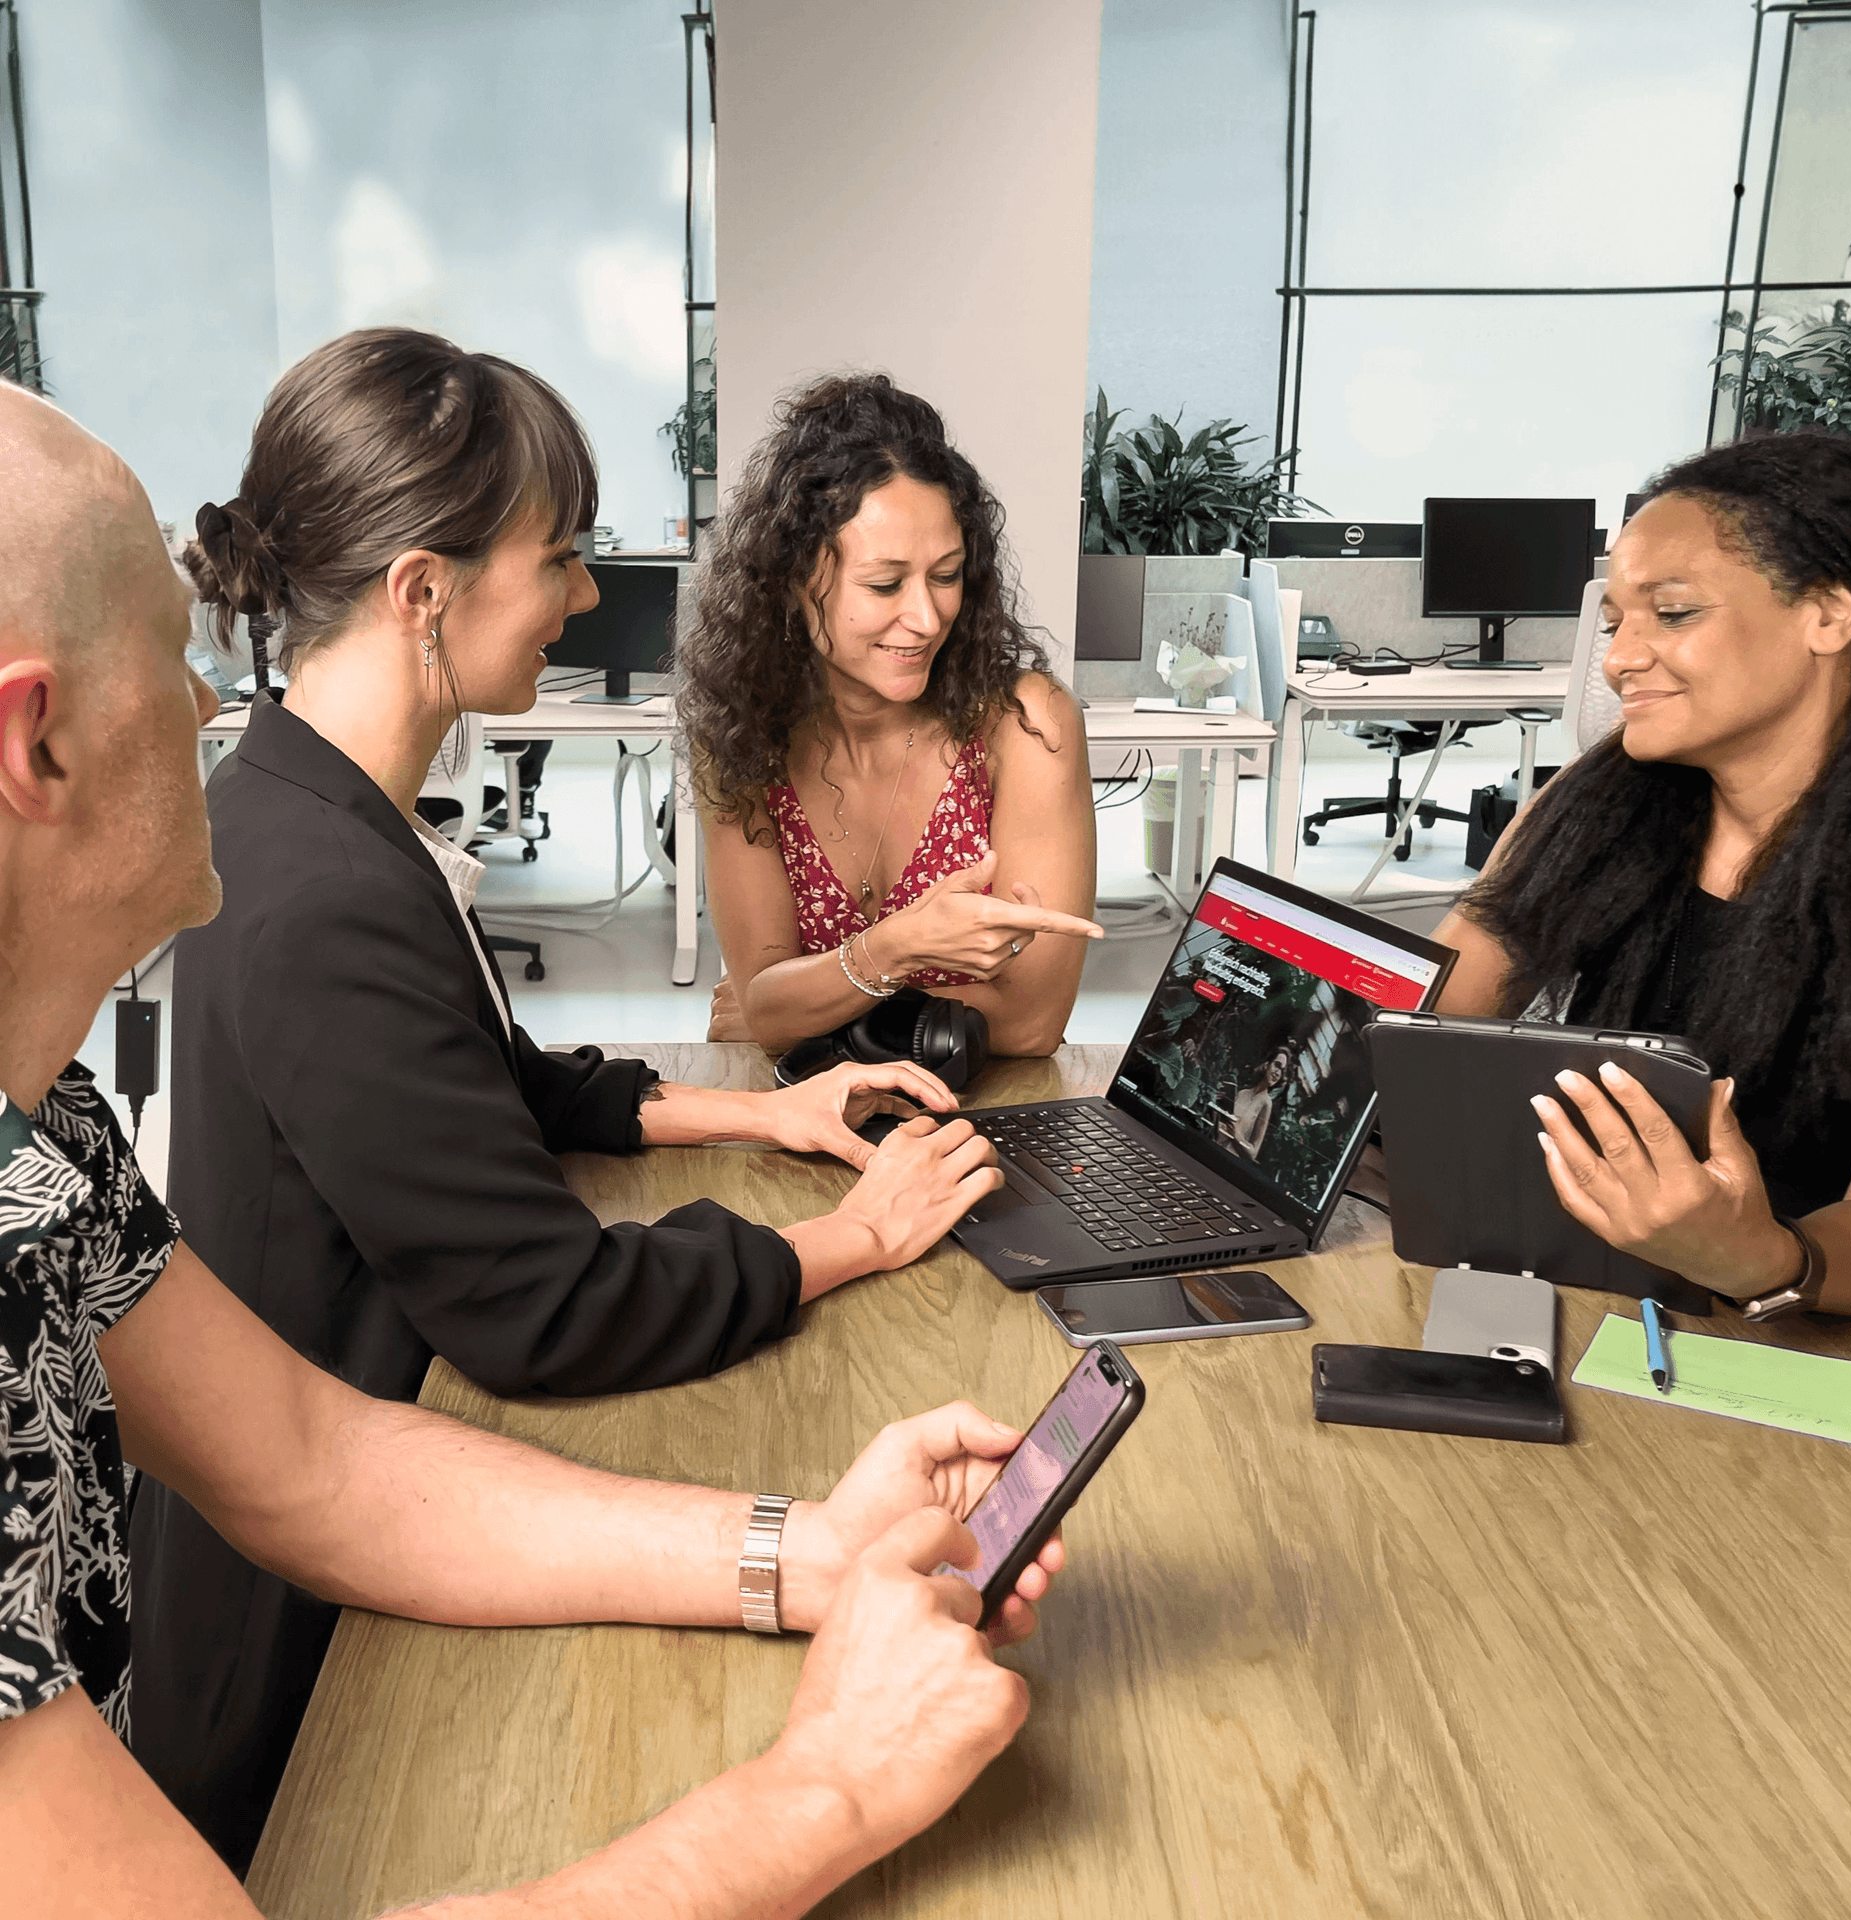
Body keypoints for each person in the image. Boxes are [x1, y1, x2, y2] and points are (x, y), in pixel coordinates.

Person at [0, 379, 1064, 1915]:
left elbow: (312, 1461)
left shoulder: (49, 1138)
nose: (212, 708)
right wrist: (825, 1784)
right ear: (35, 742)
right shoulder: (307, 888)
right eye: (175, 667)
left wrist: (806, 1550)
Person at [1433, 430, 1851, 1344]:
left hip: (1826, 1340)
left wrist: (1764, 1257)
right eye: (1616, 622)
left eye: (1675, 613)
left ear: (1828, 614)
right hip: (1609, 1290)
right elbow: (1430, 1013)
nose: (1620, 658)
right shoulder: (1599, 800)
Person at [678, 373, 1103, 1059]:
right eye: (884, 584)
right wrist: (896, 949)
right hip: (809, 1118)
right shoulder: (739, 735)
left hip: (985, 1124)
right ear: (793, 576)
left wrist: (809, 1003)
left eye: (946, 575)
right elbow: (764, 1000)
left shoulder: (1027, 725)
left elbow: (1029, 1025)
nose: (927, 617)